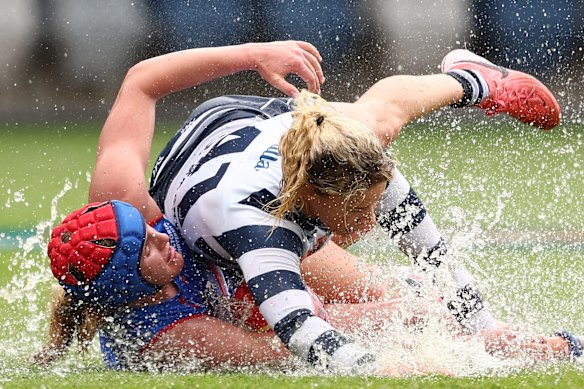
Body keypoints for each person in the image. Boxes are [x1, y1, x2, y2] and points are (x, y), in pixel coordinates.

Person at [34, 40, 579, 374]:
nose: (158, 234)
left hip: (233, 133)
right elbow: (290, 347)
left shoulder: (121, 202)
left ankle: (471, 79)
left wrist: (252, 55)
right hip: (235, 222)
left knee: (373, 125)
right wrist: (417, 356)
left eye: (145, 230)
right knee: (383, 309)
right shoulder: (175, 332)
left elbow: (140, 82)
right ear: (134, 287)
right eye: (148, 249)